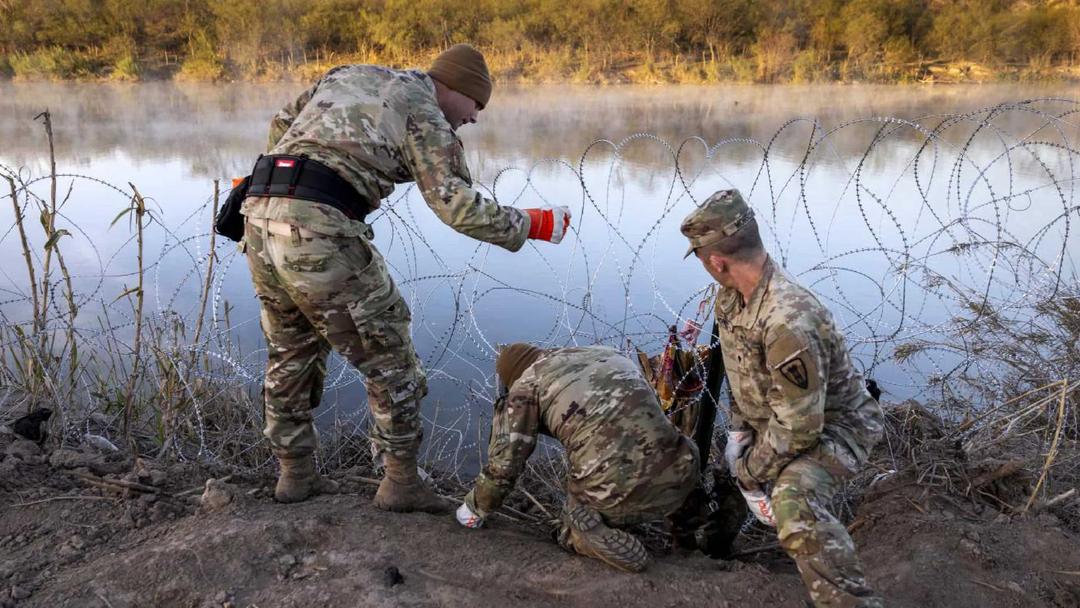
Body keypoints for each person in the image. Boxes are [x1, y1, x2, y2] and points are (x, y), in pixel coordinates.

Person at [240, 44, 572, 511]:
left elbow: (282, 122)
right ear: (455, 88)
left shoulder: (350, 74)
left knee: (289, 353)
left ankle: (295, 475)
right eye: (477, 105)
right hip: (319, 229)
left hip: (257, 218)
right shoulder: (423, 110)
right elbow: (456, 205)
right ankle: (400, 484)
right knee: (390, 358)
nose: (475, 118)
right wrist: (534, 224)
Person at [681, 189, 885, 607]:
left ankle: (849, 601)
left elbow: (800, 429)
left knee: (795, 505)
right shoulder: (732, 298)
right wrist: (738, 437)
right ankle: (714, 552)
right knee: (731, 471)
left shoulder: (788, 319)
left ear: (717, 261)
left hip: (835, 427)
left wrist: (752, 470)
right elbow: (742, 377)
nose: (705, 268)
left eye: (701, 258)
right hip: (779, 419)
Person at [455, 343, 700, 572]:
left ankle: (586, 538)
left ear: (511, 376)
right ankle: (689, 541)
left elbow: (505, 465)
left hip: (622, 486)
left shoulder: (526, 386)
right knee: (661, 458)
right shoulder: (602, 353)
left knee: (570, 527)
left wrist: (475, 508)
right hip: (683, 469)